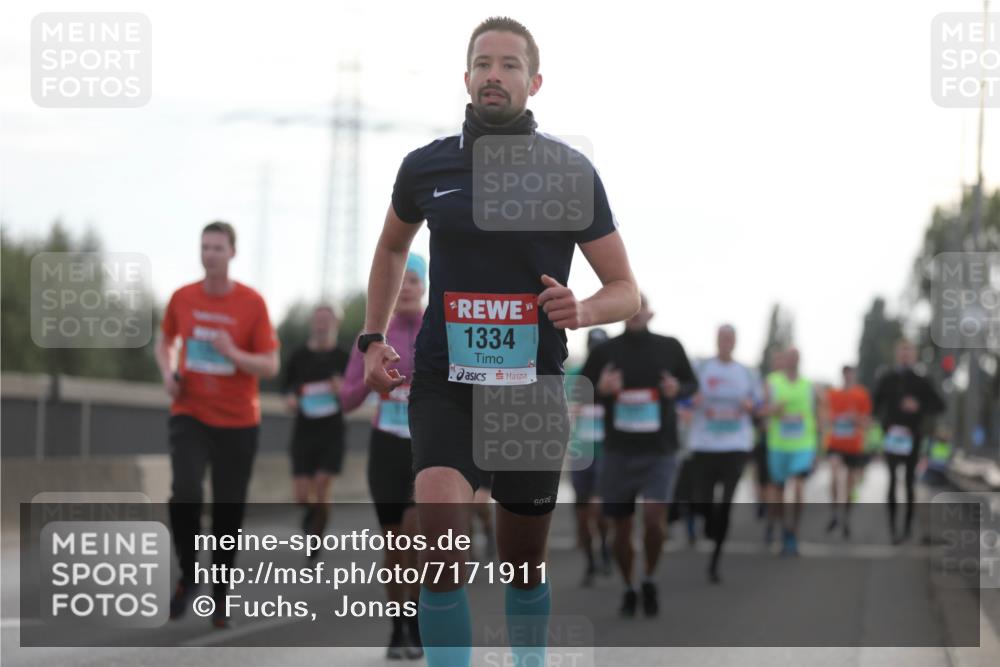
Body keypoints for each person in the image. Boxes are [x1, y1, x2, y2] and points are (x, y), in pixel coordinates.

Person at [358, 16, 640, 667]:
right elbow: (392, 246)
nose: (494, 74)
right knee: (442, 542)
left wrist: (586, 306)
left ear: (533, 81)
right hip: (443, 385)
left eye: (510, 64)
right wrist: (372, 338)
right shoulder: (428, 167)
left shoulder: (570, 173)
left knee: (521, 565)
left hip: (530, 392)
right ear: (466, 77)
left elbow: (625, 286)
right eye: (483, 62)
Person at [155, 221, 279, 628]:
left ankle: (220, 592)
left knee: (228, 510)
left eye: (218, 248)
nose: (210, 254)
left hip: (239, 420)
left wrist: (233, 353)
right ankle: (188, 575)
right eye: (205, 247)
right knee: (186, 491)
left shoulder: (252, 303)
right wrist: (167, 373)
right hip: (190, 411)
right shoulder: (182, 298)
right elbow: (165, 341)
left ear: (232, 253)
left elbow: (270, 365)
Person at [581, 293, 698, 617]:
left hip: (660, 450)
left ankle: (649, 577)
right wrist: (601, 389)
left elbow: (691, 384)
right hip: (619, 451)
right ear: (623, 312)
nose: (635, 312)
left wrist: (678, 389)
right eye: (630, 306)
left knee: (654, 521)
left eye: (641, 306)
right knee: (620, 528)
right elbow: (581, 387)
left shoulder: (670, 347)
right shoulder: (606, 351)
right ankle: (629, 585)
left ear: (650, 313)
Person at [342, 253, 426, 660]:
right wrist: (374, 381)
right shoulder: (373, 336)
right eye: (402, 279)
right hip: (387, 446)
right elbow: (345, 397)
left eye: (414, 280)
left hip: (428, 446)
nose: (407, 286)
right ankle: (399, 628)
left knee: (416, 534)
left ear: (424, 286)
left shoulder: (440, 329)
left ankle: (419, 620)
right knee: (395, 543)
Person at [687, 324, 762, 583]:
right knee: (703, 502)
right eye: (722, 338)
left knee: (726, 504)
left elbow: (759, 406)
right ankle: (708, 524)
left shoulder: (747, 373)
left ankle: (715, 561)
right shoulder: (702, 368)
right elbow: (684, 397)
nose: (726, 342)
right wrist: (692, 400)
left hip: (736, 445)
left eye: (730, 339)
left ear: (735, 342)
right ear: (716, 340)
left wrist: (751, 406)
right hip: (705, 445)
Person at [281, 305, 348, 551]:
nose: (321, 325)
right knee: (301, 496)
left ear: (335, 325)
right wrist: (289, 398)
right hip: (304, 430)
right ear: (312, 324)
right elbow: (286, 387)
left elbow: (354, 394)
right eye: (318, 320)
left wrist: (342, 391)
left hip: (332, 431)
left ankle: (316, 538)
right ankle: (310, 517)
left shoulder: (343, 358)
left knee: (321, 486)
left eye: (326, 321)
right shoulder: (299, 356)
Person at [872, 339, 945, 544]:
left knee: (910, 482)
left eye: (909, 352)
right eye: (902, 352)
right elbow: (875, 404)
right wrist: (884, 423)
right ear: (897, 355)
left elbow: (939, 405)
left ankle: (907, 527)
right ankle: (893, 528)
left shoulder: (921, 380)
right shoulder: (887, 378)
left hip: (913, 436)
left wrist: (919, 406)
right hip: (893, 436)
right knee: (893, 480)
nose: (905, 356)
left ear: (914, 355)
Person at [761, 346, 817, 556]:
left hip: (803, 444)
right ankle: (777, 524)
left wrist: (820, 443)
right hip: (779, 445)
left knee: (799, 487)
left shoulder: (809, 385)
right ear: (784, 360)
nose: (793, 360)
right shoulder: (772, 382)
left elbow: (820, 411)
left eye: (796, 357)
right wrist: (773, 410)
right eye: (789, 357)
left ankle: (793, 531)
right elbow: (761, 409)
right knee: (779, 492)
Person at [567, 327, 612, 586]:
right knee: (582, 514)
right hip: (580, 453)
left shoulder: (616, 375)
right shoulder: (574, 376)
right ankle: (590, 563)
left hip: (607, 452)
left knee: (600, 509)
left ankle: (605, 546)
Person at [820, 364, 872, 539]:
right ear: (842, 375)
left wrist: (855, 418)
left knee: (849, 484)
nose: (848, 377)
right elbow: (825, 417)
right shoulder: (833, 394)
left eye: (851, 374)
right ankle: (834, 512)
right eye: (845, 374)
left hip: (854, 446)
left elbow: (867, 422)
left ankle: (846, 518)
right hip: (835, 443)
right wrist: (832, 419)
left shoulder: (861, 394)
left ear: (854, 375)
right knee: (834, 475)